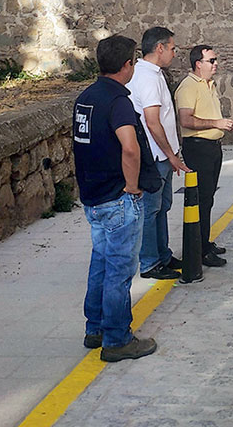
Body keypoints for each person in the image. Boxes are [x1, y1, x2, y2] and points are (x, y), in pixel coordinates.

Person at [72, 34, 158, 362]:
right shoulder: (118, 101)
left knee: (100, 263)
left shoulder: (86, 97)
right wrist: (133, 186)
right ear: (127, 65)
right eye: (133, 61)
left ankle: (94, 328)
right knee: (120, 270)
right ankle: (117, 338)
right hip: (117, 197)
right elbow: (130, 147)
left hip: (93, 196)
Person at [127, 27, 191, 280]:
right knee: (151, 210)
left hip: (162, 155)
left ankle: (163, 254)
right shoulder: (148, 77)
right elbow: (152, 121)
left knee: (162, 207)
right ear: (160, 48)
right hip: (155, 156)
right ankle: (150, 262)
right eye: (173, 48)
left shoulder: (152, 73)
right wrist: (171, 155)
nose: (175, 53)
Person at [175, 44, 233, 268]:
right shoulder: (189, 87)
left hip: (211, 148)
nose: (215, 63)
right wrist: (216, 123)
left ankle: (204, 243)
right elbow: (186, 120)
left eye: (215, 59)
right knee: (200, 200)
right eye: (211, 60)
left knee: (207, 199)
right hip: (198, 148)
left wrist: (220, 126)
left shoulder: (209, 84)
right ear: (198, 64)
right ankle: (198, 251)